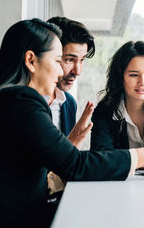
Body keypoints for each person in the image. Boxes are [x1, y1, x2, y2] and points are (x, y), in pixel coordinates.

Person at [0, 19, 144, 228]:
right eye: (59, 61)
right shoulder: (20, 100)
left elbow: (26, 174)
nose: (60, 72)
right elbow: (76, 165)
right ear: (31, 60)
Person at [45, 17, 95, 196]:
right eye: (69, 60)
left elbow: (65, 166)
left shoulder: (69, 104)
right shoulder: (25, 104)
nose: (77, 71)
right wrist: (72, 141)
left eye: (81, 60)